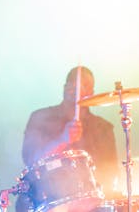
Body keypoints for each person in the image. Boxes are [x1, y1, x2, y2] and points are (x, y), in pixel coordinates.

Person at [18, 66, 120, 211]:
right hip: (45, 202)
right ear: (65, 88)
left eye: (85, 87)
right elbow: (31, 160)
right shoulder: (41, 118)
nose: (78, 91)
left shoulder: (103, 128)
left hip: (91, 205)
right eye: (73, 85)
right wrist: (62, 140)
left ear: (92, 93)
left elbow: (110, 174)